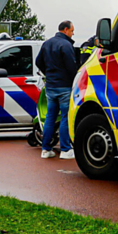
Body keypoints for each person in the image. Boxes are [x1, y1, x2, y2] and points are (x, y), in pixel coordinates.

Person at [36, 20, 78, 159]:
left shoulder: (47, 43)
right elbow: (71, 66)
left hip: (51, 86)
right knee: (65, 117)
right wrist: (75, 80)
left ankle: (46, 149)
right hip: (64, 86)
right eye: (71, 31)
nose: (72, 34)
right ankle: (65, 149)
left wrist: (48, 74)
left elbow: (38, 61)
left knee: (50, 117)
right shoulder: (66, 45)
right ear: (65, 30)